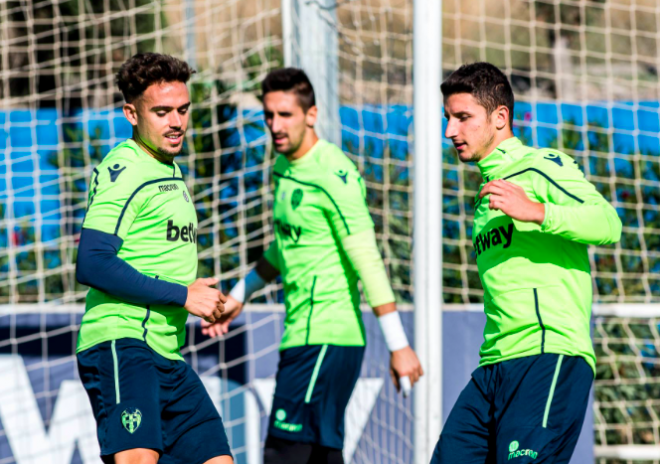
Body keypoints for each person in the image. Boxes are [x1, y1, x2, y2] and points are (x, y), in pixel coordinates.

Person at [202, 68, 424, 464]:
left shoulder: (332, 174)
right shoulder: (284, 167)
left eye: (285, 115)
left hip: (322, 340)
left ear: (311, 114)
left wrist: (398, 344)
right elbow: (286, 246)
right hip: (309, 338)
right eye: (269, 116)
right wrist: (239, 296)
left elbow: (366, 258)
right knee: (321, 457)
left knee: (282, 455)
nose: (275, 126)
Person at [431, 62, 622, 463]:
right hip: (492, 369)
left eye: (463, 118)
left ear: (500, 117)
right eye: (448, 118)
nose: (450, 131)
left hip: (548, 357)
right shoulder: (487, 194)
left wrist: (537, 211)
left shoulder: (538, 166)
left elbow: (607, 223)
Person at [75, 52, 233, 464]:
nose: (176, 122)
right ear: (131, 113)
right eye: (161, 112)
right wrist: (183, 295)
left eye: (182, 110)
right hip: (122, 342)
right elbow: (92, 262)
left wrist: (205, 299)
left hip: (167, 352)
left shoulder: (168, 170)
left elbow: (153, 259)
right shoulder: (126, 167)